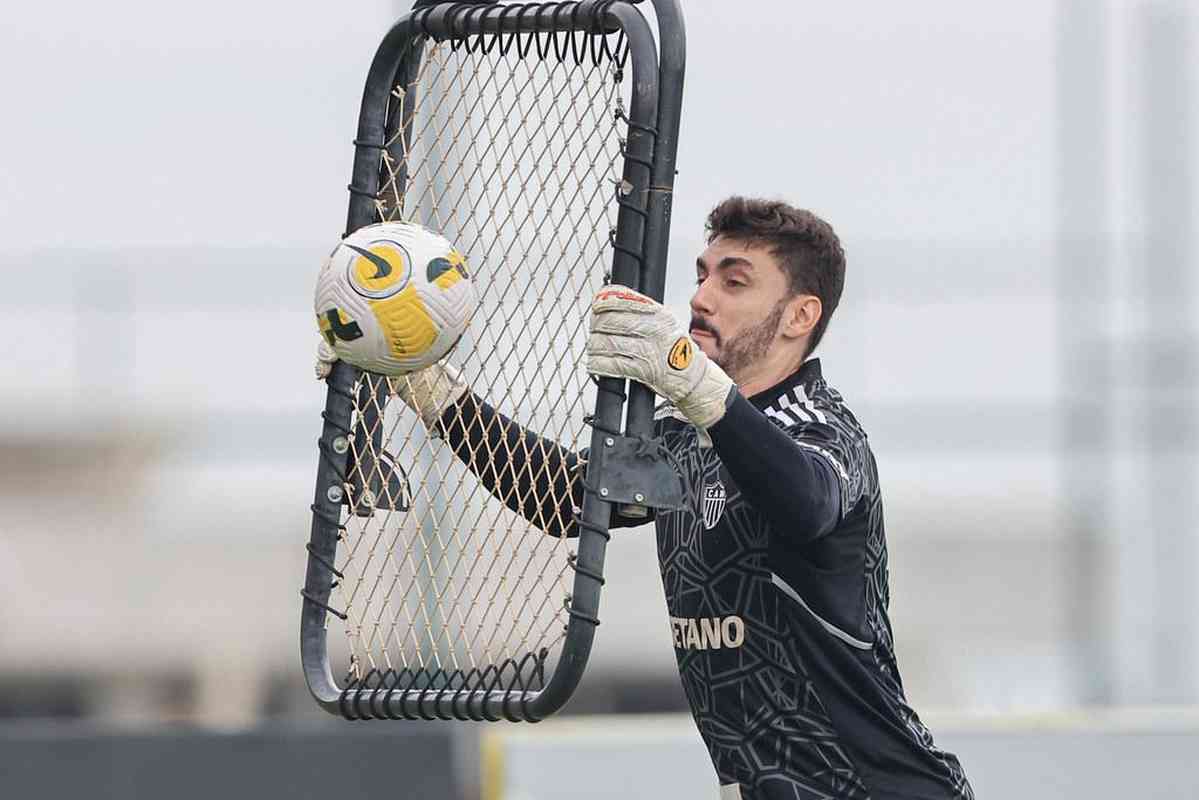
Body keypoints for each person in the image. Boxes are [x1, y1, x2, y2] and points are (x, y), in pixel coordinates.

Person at [318, 197, 973, 799]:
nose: (701, 297)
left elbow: (804, 503)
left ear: (800, 315)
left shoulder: (822, 428)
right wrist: (424, 383)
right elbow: (561, 499)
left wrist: (693, 382)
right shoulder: (683, 443)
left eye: (733, 280)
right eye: (702, 274)